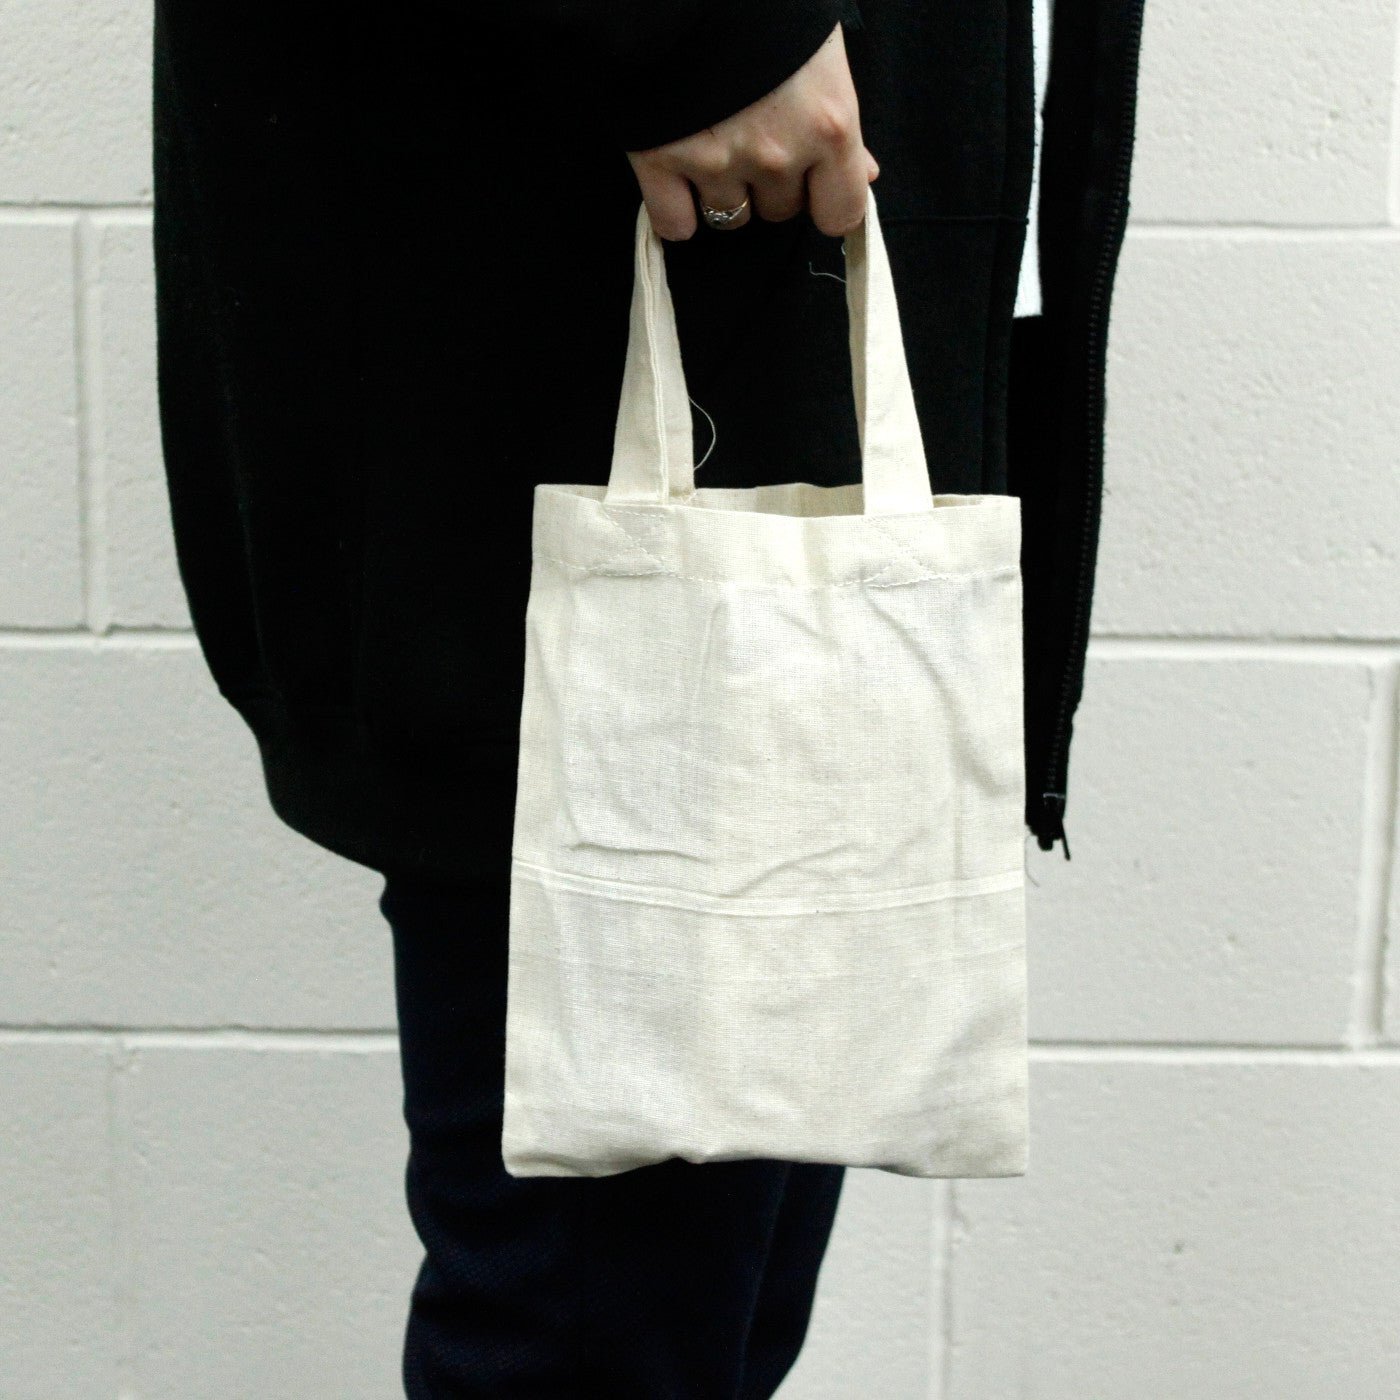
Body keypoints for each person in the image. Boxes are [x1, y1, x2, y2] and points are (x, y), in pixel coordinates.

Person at [152, 1, 1144, 1392]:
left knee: (703, 1310)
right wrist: (702, 27)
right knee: (595, 1327)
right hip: (612, 239)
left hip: (785, 220)